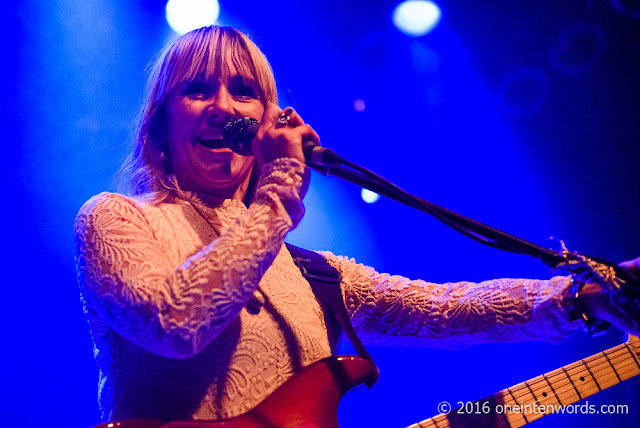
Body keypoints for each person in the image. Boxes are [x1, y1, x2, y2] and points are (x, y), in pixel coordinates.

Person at [74, 25, 640, 424]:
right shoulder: (115, 219)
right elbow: (175, 323)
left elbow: (443, 311)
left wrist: (581, 298)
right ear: (160, 123)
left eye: (244, 92)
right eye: (198, 89)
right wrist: (277, 197)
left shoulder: (310, 273)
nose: (224, 107)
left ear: (270, 121)